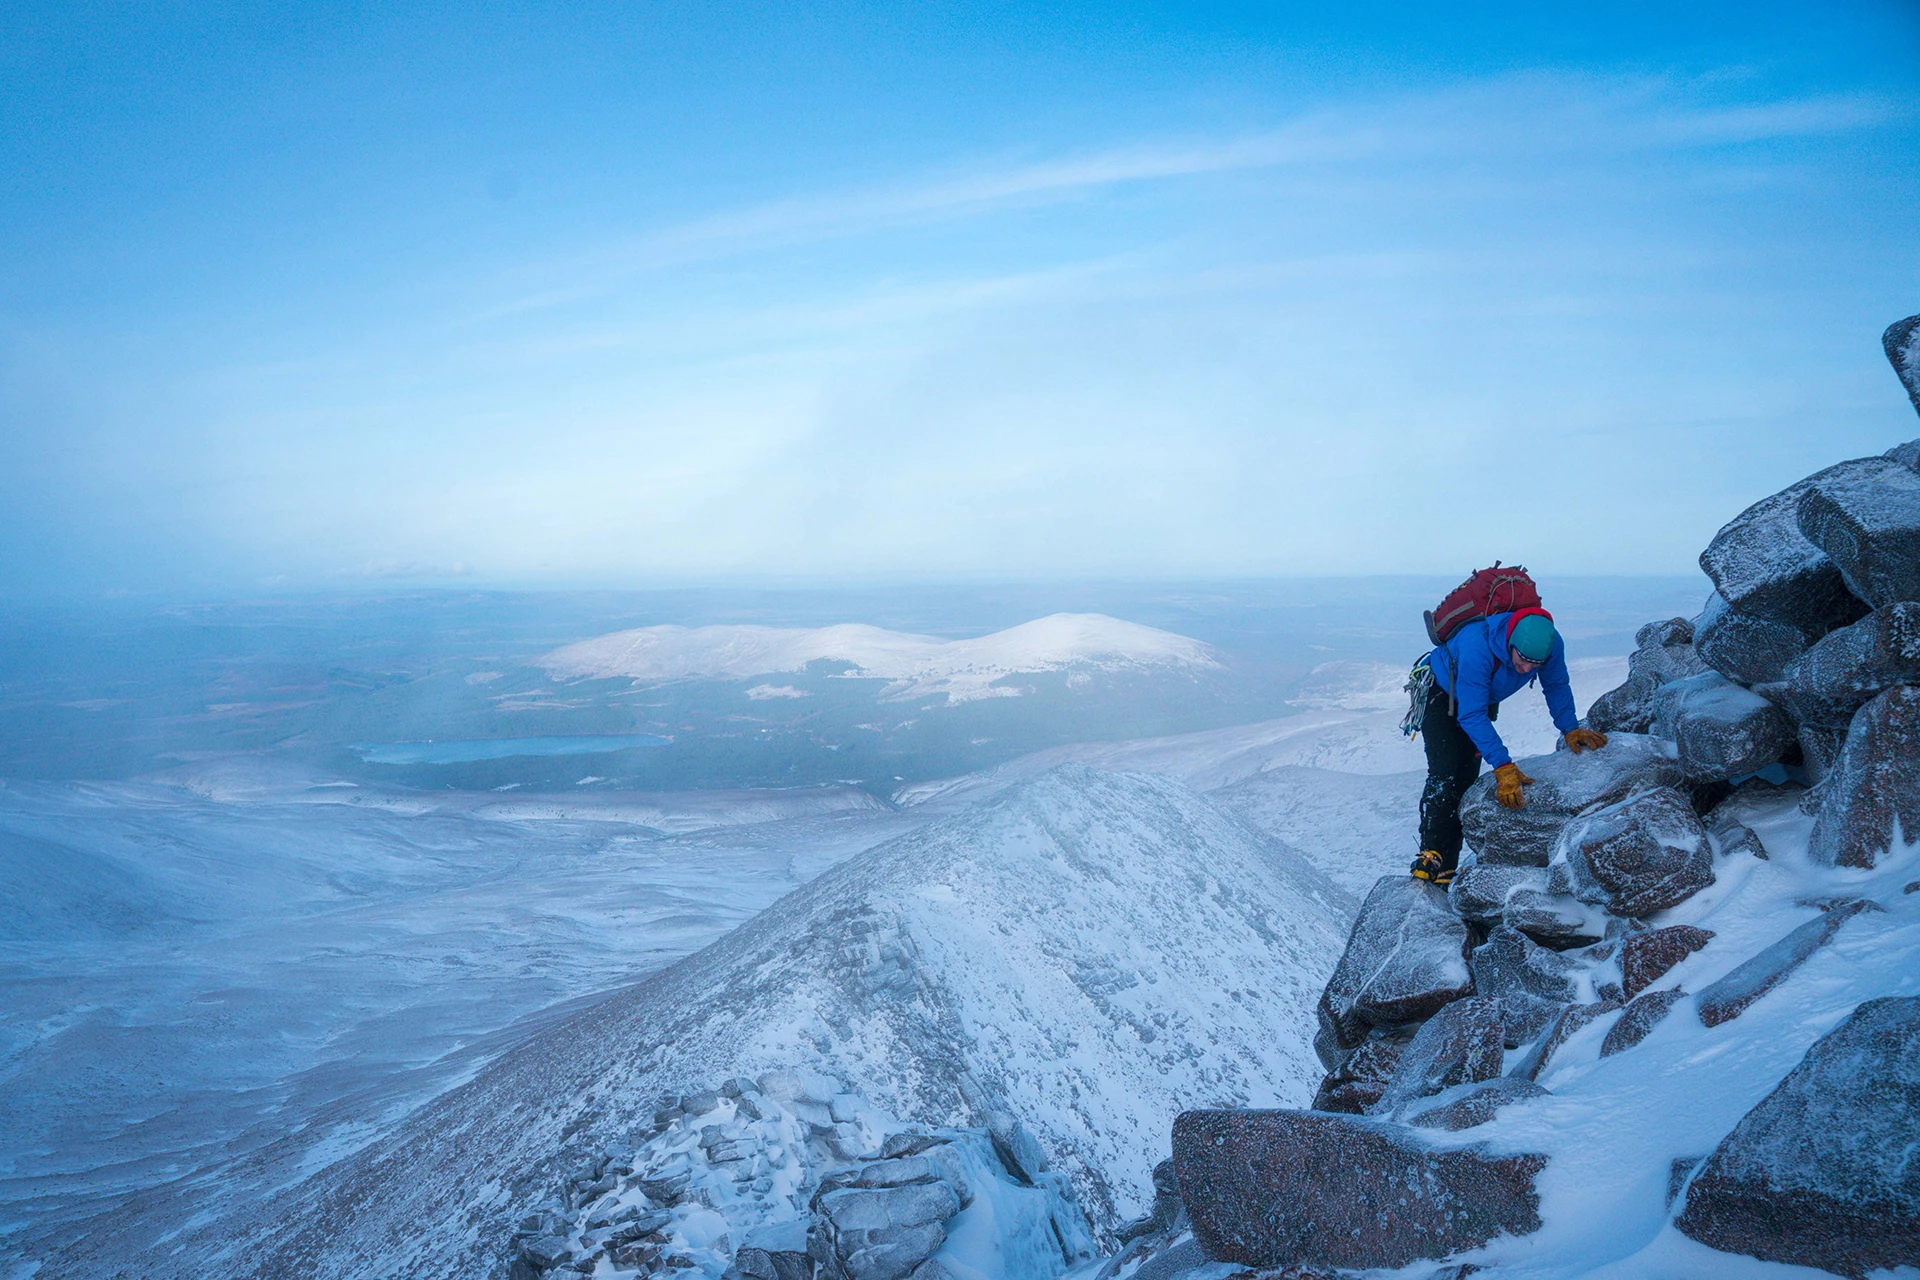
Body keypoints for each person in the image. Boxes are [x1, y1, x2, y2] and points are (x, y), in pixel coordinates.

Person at [1409, 607, 1607, 885]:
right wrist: (1503, 765)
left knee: (1465, 778)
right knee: (1445, 772)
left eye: (1533, 665)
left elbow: (1557, 685)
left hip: (1478, 697)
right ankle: (1430, 853)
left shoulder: (1551, 646)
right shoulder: (1478, 645)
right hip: (1439, 694)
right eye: (1522, 660)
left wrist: (1570, 728)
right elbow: (1471, 714)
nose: (1526, 669)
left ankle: (1446, 869)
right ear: (1510, 644)